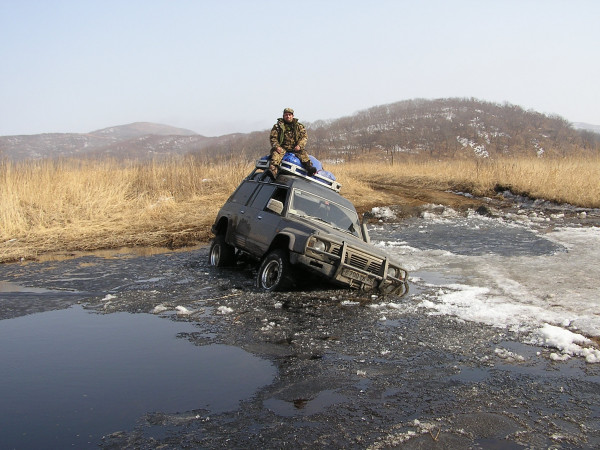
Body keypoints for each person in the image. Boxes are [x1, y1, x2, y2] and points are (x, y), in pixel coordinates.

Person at [268, 108, 317, 178]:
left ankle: (309, 168)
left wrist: (299, 146)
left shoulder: (299, 126)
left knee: (303, 154)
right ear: (283, 116)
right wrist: (276, 146)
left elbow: (304, 137)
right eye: (286, 115)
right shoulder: (278, 127)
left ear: (292, 116)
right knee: (275, 155)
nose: (288, 116)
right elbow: (273, 138)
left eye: (289, 115)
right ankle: (273, 172)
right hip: (282, 147)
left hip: (295, 148)